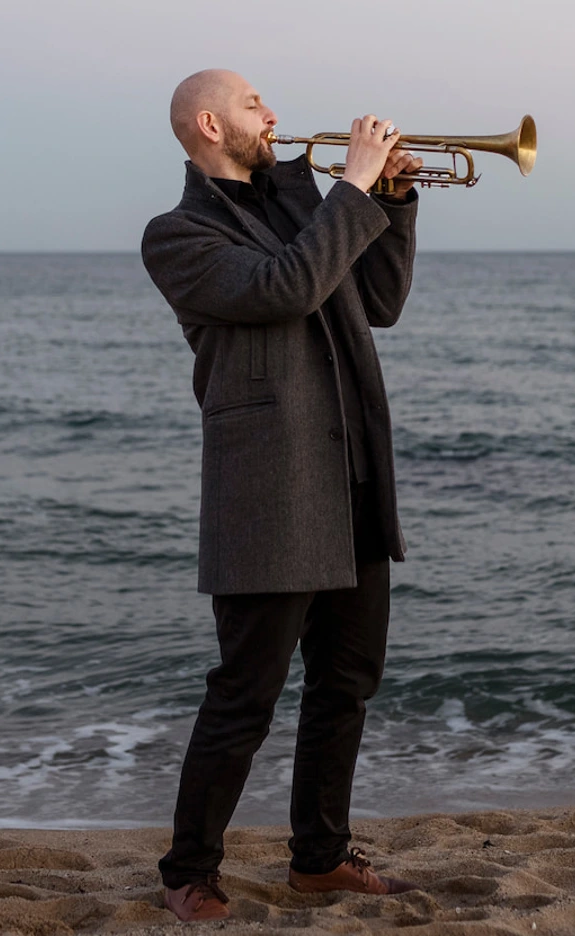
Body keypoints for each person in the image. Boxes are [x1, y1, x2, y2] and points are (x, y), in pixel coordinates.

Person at [141, 69, 424, 923]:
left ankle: (320, 859)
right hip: (269, 491)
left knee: (347, 684)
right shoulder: (179, 235)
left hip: (353, 478)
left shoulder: (305, 204)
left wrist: (394, 201)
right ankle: (188, 871)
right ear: (209, 125)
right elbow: (283, 289)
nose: (272, 114)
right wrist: (355, 187)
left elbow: (379, 302)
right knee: (244, 697)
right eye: (253, 104)